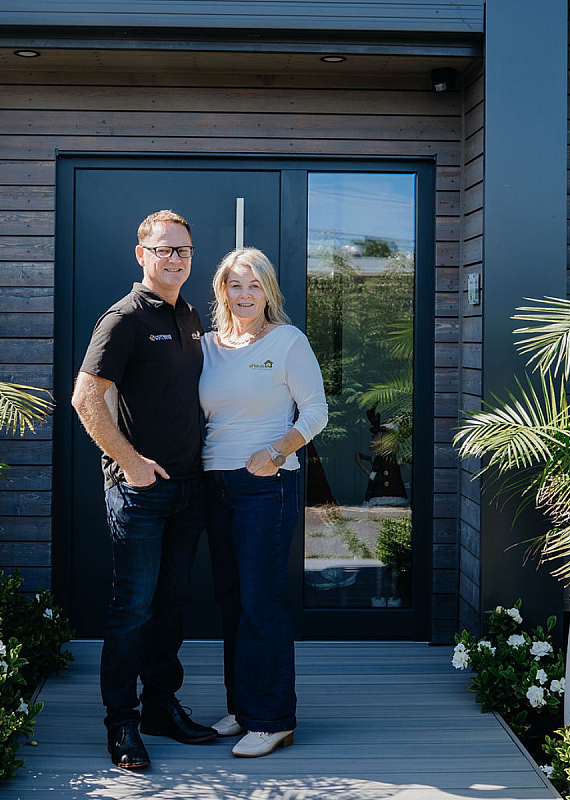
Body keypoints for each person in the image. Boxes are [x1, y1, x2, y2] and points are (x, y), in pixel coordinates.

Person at [71, 209, 217, 770]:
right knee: (132, 607)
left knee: (171, 604)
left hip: (188, 488)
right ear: (142, 256)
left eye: (182, 250)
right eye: (164, 250)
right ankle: (122, 724)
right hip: (140, 490)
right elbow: (86, 398)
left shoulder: (191, 316)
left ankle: (160, 707)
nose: (175, 258)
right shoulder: (124, 319)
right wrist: (129, 463)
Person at [200, 247, 328, 758]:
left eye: (254, 286)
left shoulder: (288, 342)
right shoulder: (208, 346)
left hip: (266, 484)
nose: (245, 295)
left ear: (268, 291)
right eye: (235, 285)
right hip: (215, 483)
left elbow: (316, 413)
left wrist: (275, 453)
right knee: (232, 601)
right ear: (222, 292)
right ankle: (243, 706)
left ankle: (273, 718)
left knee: (262, 602)